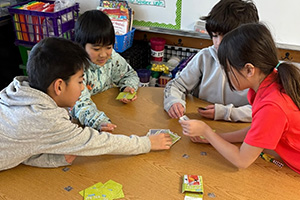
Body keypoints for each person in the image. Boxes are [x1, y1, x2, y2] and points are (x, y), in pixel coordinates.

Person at [0, 37, 172, 172]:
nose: (83, 88)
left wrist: (53, 159)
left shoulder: (17, 92)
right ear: (59, 86)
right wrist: (147, 143)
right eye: (80, 81)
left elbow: (21, 145)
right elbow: (99, 143)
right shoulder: (45, 119)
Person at [180, 23, 300, 174]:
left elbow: (242, 160)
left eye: (229, 70)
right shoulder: (270, 83)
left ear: (249, 69)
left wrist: (207, 131)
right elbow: (255, 131)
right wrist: (215, 138)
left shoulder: (272, 105)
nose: (227, 76)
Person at [164, 0, 259, 122]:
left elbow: (264, 111)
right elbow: (176, 85)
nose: (218, 43)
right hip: (202, 124)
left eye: (225, 37)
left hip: (239, 131)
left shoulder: (257, 65)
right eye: (214, 35)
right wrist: (174, 101)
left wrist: (225, 112)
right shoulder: (205, 57)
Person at [71, 10, 139, 132]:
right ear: (81, 46)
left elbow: (129, 74)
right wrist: (98, 121)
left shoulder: (112, 57)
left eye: (108, 47)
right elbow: (80, 105)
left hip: (108, 109)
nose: (103, 54)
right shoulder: (76, 69)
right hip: (80, 124)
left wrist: (127, 87)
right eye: (96, 49)